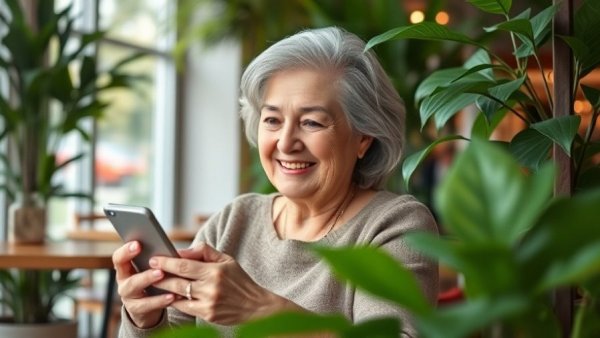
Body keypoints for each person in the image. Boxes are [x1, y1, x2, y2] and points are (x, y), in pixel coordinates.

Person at [113, 26, 438, 338]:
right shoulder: (233, 221)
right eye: (272, 120)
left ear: (363, 137)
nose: (285, 142)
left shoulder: (394, 225)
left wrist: (258, 309)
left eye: (311, 122)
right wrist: (146, 319)